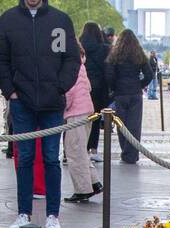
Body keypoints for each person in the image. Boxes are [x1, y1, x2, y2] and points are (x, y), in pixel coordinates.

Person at [0, 0, 77, 228]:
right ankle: (23, 213)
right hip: (22, 102)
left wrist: (60, 87)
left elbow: (71, 58)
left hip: (52, 103)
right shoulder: (8, 20)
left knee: (52, 159)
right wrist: (11, 91)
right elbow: (0, 59)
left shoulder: (60, 20)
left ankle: (52, 214)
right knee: (25, 158)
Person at [106, 28, 154, 164]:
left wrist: (114, 87)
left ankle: (125, 151)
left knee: (121, 124)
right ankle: (132, 155)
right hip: (135, 92)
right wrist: (140, 84)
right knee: (134, 125)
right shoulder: (139, 54)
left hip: (120, 93)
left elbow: (109, 74)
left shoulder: (114, 54)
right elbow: (149, 74)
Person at [62, 46, 100, 202]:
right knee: (81, 150)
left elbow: (68, 91)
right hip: (86, 110)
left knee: (73, 151)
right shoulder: (81, 65)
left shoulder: (70, 66)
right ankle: (94, 182)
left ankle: (83, 189)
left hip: (76, 112)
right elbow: (88, 87)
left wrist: (62, 106)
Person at [80, 22, 109, 156]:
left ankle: (79, 148)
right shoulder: (104, 49)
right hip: (98, 88)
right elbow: (107, 70)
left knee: (78, 119)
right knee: (95, 119)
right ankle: (93, 148)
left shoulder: (79, 47)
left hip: (81, 87)